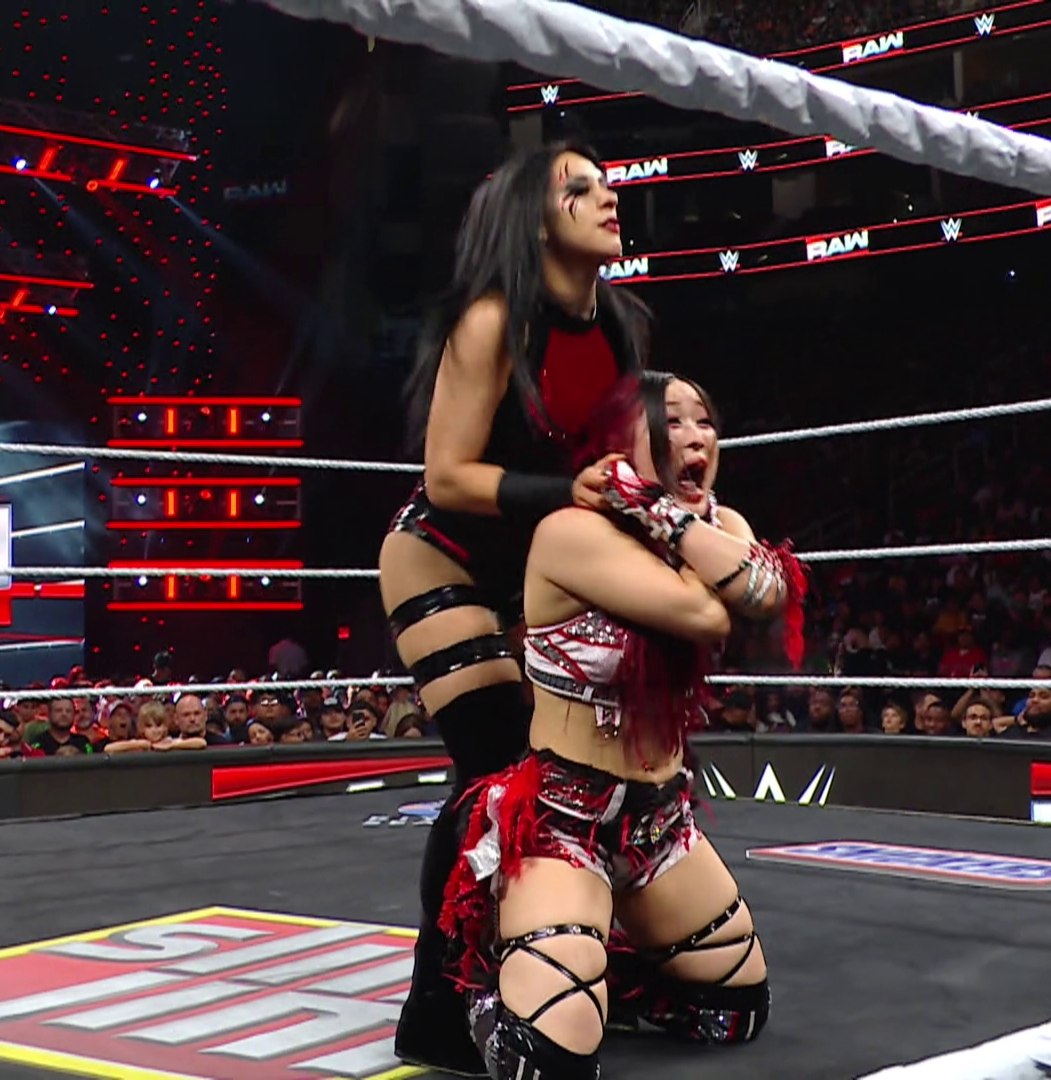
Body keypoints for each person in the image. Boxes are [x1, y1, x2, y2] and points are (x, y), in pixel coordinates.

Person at [441, 372, 802, 1080]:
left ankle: (605, 956)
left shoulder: (716, 526)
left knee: (732, 1010)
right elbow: (706, 613)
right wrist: (661, 518)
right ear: (617, 445)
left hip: (658, 821)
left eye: (705, 421)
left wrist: (655, 508)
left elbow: (767, 589)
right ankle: (488, 987)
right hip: (563, 819)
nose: (696, 437)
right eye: (672, 421)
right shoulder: (571, 533)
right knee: (553, 1058)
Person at [378, 140, 649, 1074]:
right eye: (582, 188)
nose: (609, 197)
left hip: (538, 574)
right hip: (442, 558)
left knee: (560, 774)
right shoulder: (493, 321)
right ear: (535, 219)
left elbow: (617, 465)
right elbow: (448, 476)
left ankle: (548, 966)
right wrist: (571, 495)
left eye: (607, 182)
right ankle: (436, 1003)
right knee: (492, 771)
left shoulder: (618, 325)